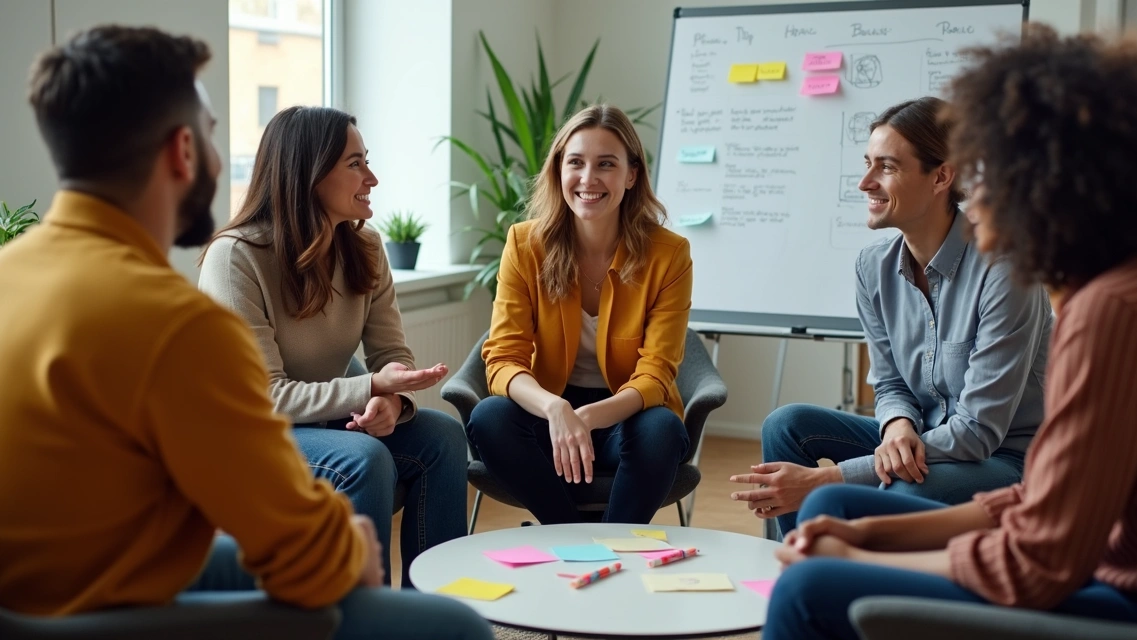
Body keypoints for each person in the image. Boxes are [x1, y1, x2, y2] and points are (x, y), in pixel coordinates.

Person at [0, 25, 490, 639]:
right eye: (209, 135)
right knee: (450, 629)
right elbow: (297, 544)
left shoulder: (10, 274)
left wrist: (385, 397)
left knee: (433, 442)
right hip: (95, 615)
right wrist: (347, 554)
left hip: (39, 589)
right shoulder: (176, 320)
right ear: (182, 152)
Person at [763, 26, 1137, 640]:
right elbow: (1050, 501)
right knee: (831, 512)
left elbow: (1038, 563)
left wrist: (860, 561)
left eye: (991, 180)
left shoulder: (1112, 313)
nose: (975, 205)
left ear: (1050, 188)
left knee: (810, 586)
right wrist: (869, 533)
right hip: (1104, 561)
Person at [730, 97, 1052, 537]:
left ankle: (850, 588)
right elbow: (890, 383)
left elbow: (979, 432)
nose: (865, 183)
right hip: (919, 438)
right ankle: (788, 568)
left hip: (1006, 459)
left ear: (941, 176)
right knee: (787, 425)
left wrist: (826, 479)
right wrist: (898, 424)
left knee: (907, 492)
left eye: (887, 167)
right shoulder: (872, 267)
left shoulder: (1006, 270)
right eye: (867, 163)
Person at [198, 106, 466, 586]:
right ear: (309, 173)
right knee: (363, 460)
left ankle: (435, 607)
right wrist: (369, 388)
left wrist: (391, 399)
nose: (373, 178)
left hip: (323, 423)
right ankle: (368, 618)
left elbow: (390, 356)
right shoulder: (236, 258)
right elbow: (265, 396)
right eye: (356, 163)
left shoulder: (365, 249)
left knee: (443, 437)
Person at [466, 104, 692, 525]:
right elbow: (502, 359)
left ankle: (614, 542)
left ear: (631, 175)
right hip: (546, 410)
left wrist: (586, 417)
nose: (588, 179)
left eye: (606, 164)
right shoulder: (524, 244)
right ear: (558, 171)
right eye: (576, 163)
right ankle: (568, 534)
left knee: (662, 432)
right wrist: (557, 410)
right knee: (489, 418)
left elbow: (656, 373)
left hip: (628, 415)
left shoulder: (669, 254)